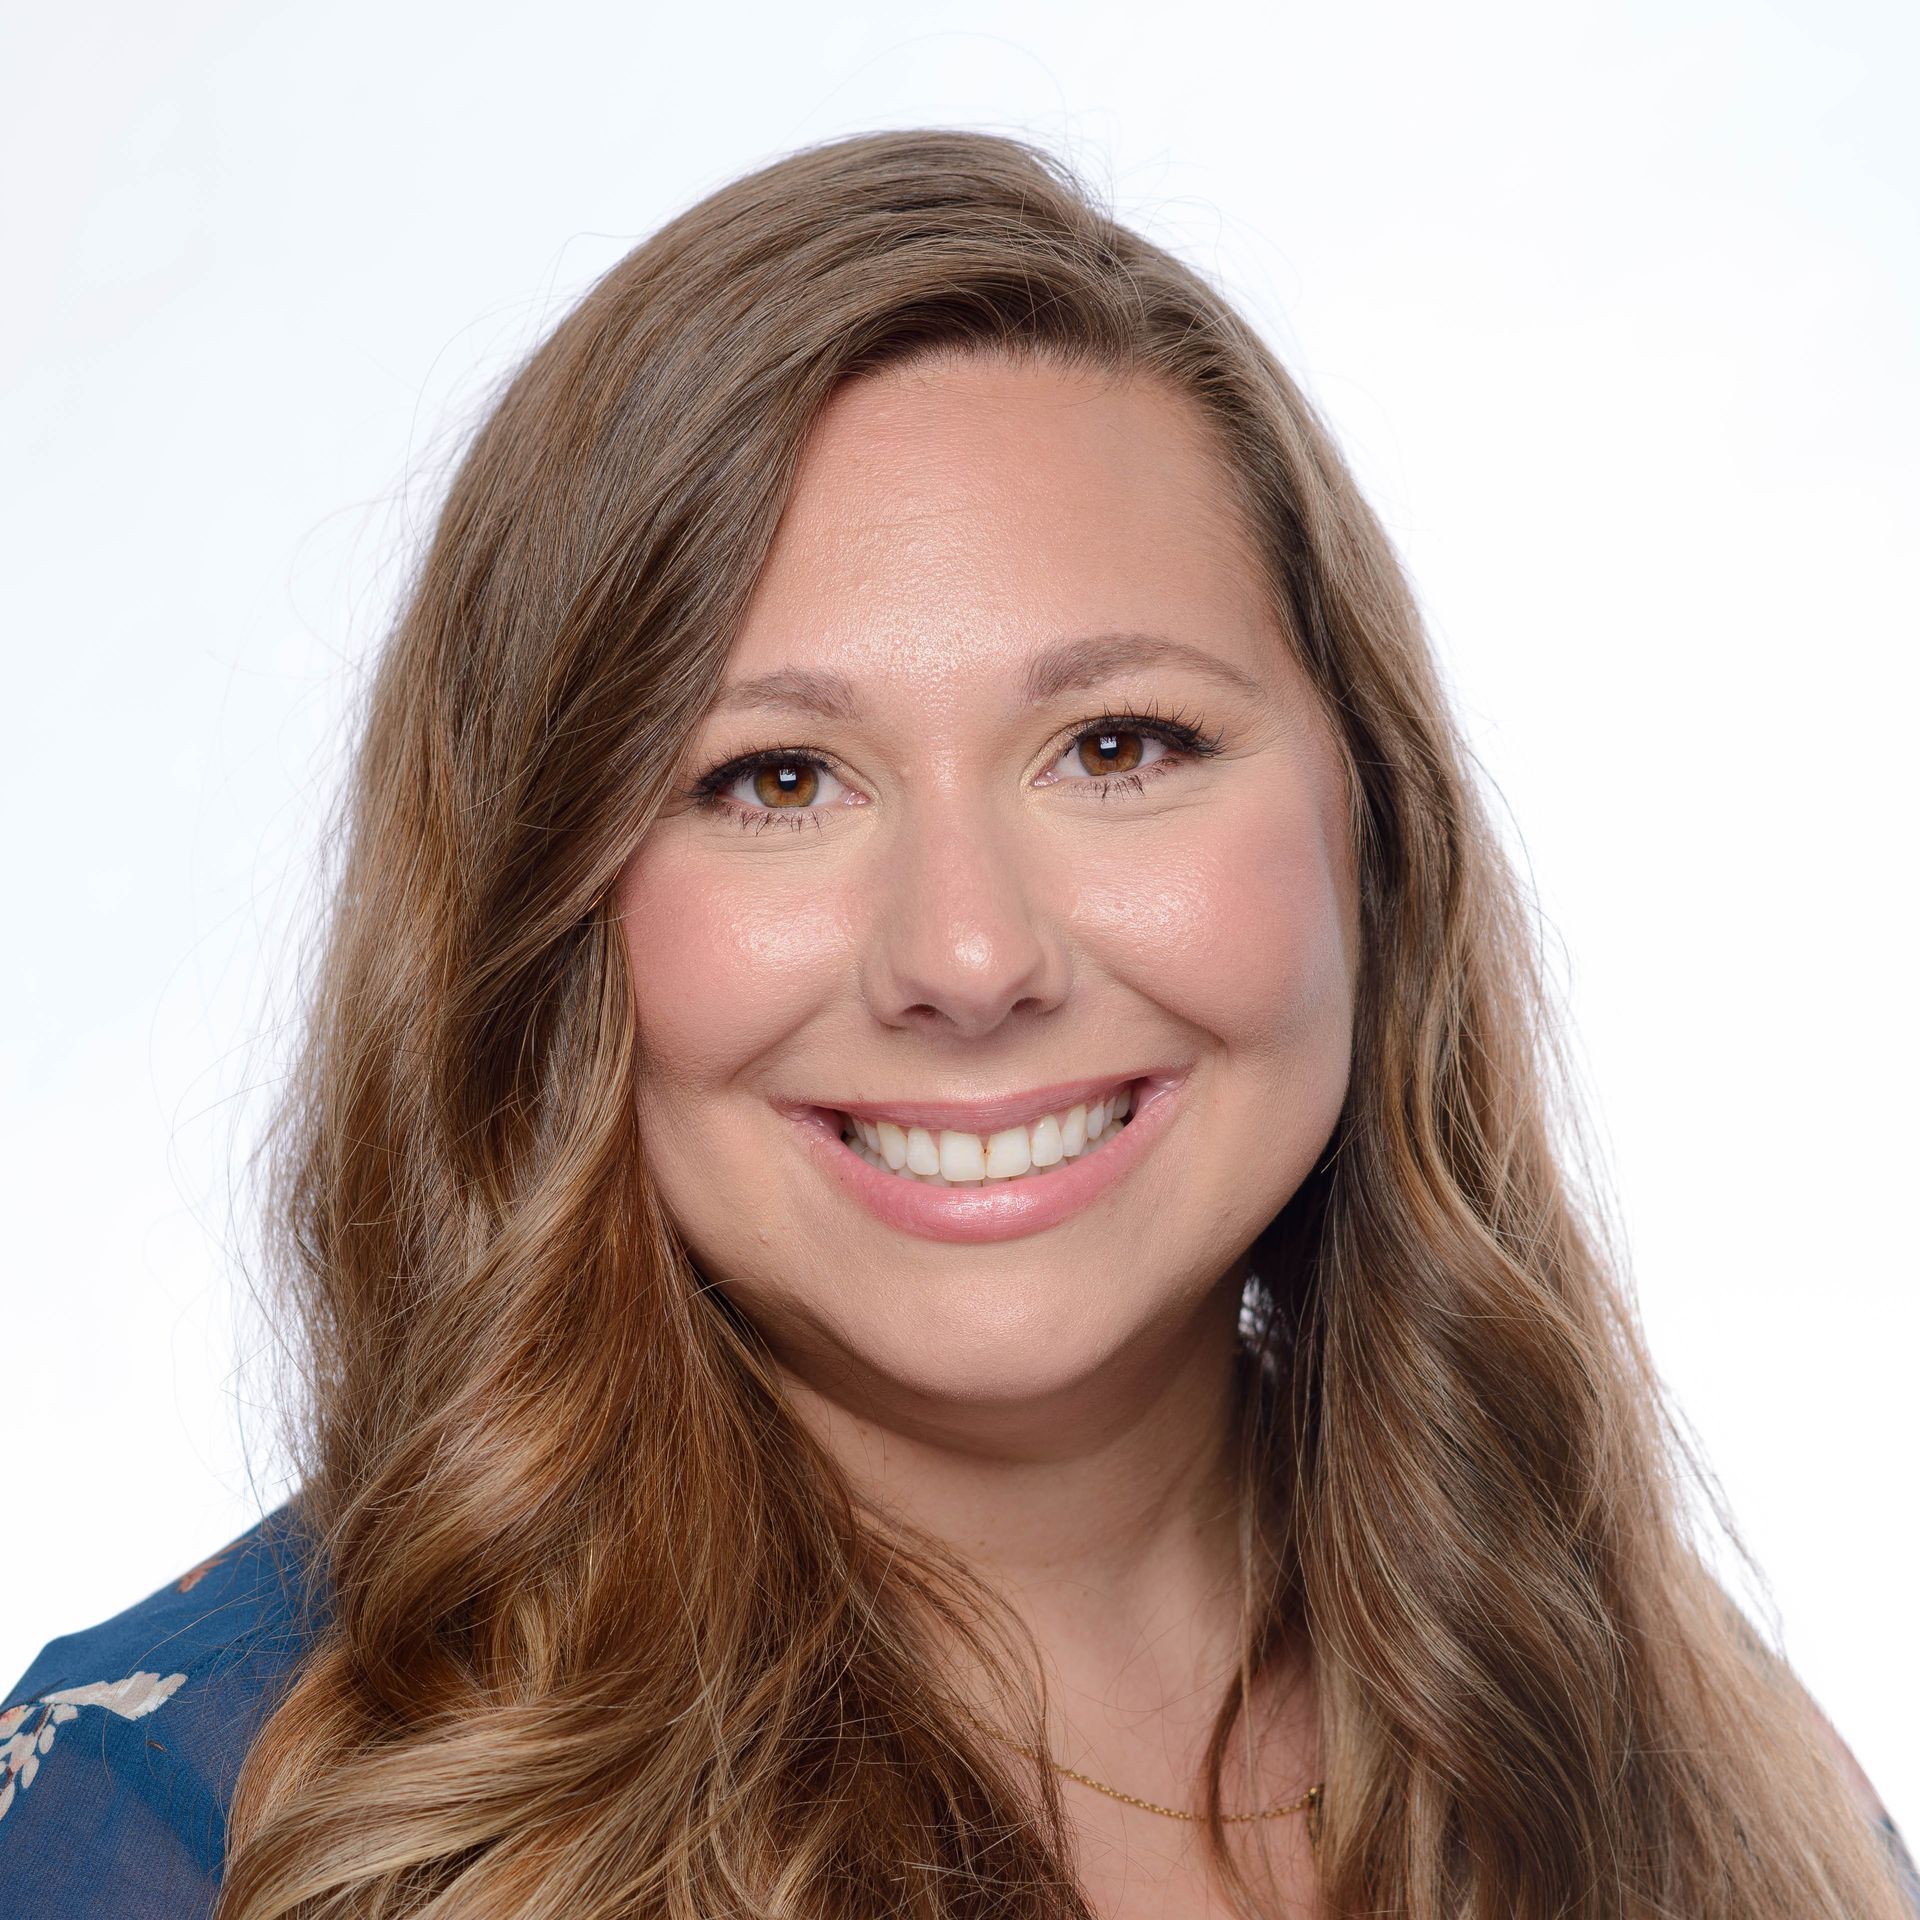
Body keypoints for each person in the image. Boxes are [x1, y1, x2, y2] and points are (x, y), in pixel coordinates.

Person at [2, 127, 1913, 1920]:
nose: (971, 955)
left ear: (1372, 832)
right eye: (772, 780)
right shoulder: (191, 1824)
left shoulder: (1693, 1742)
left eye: (1120, 744)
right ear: (540, 915)